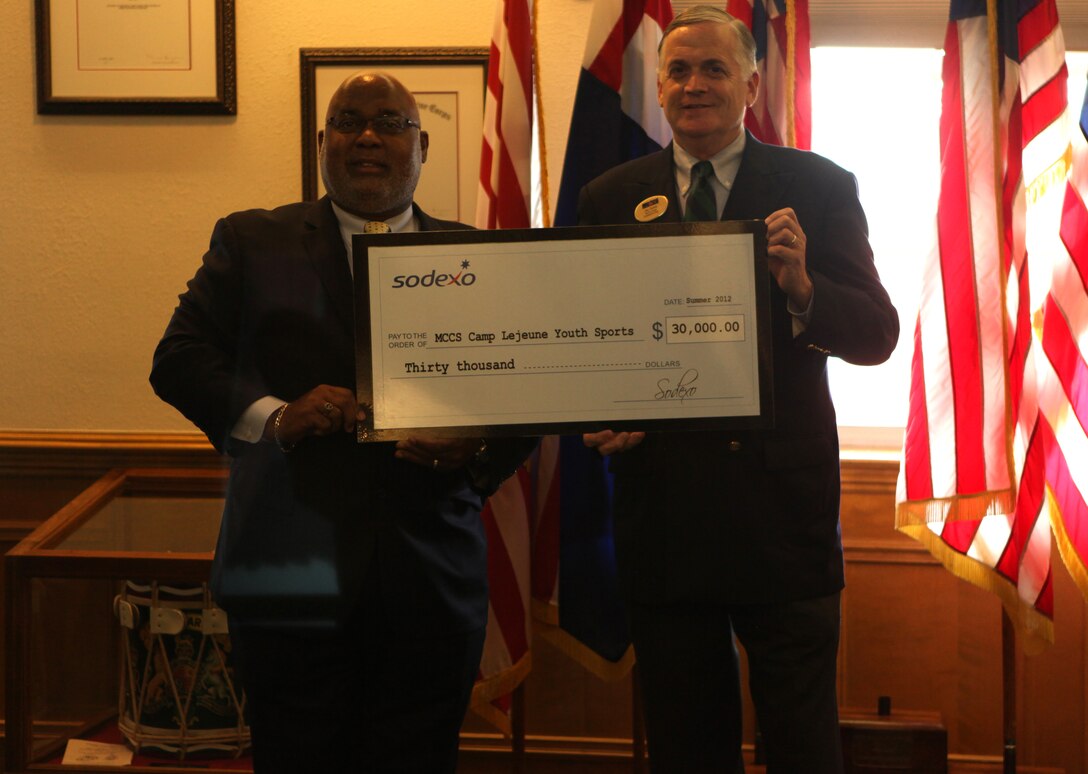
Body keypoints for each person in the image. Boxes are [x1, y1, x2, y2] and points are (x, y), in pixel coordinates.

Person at [150, 72, 535, 773]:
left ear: (419, 146)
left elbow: (526, 392)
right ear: (323, 142)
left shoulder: (477, 256)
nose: (367, 136)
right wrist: (274, 416)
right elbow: (177, 359)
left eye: (388, 122)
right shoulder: (252, 240)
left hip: (430, 581)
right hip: (288, 575)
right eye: (348, 121)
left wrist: (473, 446)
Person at [578, 7, 899, 773]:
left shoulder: (817, 188)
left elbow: (876, 335)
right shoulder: (609, 198)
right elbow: (592, 342)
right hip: (666, 520)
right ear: (657, 85)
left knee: (800, 744)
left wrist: (801, 288)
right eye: (679, 71)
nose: (695, 86)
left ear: (751, 84)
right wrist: (605, 411)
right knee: (687, 746)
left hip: (781, 524)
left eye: (714, 69)